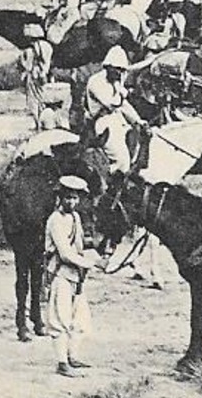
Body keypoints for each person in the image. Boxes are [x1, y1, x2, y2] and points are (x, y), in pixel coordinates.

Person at [43, 175, 100, 377]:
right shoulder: (55, 220)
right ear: (60, 197)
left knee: (81, 319)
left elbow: (79, 247)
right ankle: (61, 362)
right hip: (60, 274)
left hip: (76, 276)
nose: (72, 202)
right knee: (59, 318)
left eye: (75, 198)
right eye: (68, 198)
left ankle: (72, 356)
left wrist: (95, 256)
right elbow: (66, 254)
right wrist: (91, 263)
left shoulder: (75, 218)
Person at [83, 46, 143, 173]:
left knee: (135, 148)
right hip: (103, 123)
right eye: (117, 69)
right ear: (108, 66)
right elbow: (112, 103)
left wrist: (138, 120)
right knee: (121, 160)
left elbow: (124, 105)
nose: (119, 73)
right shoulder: (96, 81)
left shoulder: (116, 81)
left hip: (117, 120)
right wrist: (121, 90)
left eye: (122, 70)